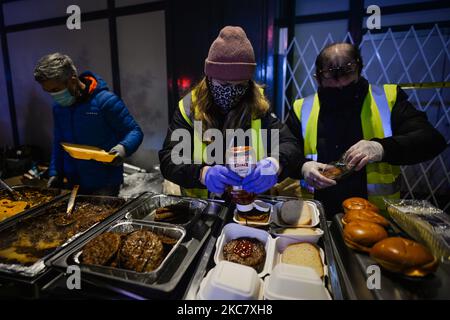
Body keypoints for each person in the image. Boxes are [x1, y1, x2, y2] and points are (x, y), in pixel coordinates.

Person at [286, 42, 446, 216]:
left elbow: (432, 140)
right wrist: (303, 166)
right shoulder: (303, 108)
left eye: (347, 82)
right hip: (317, 214)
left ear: (359, 69)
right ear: (317, 77)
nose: (340, 86)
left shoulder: (388, 100)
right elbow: (286, 151)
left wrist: (382, 148)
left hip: (377, 216)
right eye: (332, 80)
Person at [159, 26, 300, 198]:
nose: (232, 92)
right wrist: (202, 174)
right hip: (202, 209)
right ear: (209, 78)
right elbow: (169, 159)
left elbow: (290, 144)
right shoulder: (189, 108)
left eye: (240, 85)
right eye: (224, 85)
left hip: (248, 202)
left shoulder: (258, 106)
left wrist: (275, 164)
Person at [34, 53, 143, 196]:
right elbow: (58, 141)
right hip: (73, 182)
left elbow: (134, 131)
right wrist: (55, 172)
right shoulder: (59, 108)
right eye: (48, 92)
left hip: (105, 183)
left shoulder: (105, 101)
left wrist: (122, 149)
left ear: (72, 80)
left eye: (55, 90)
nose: (53, 96)